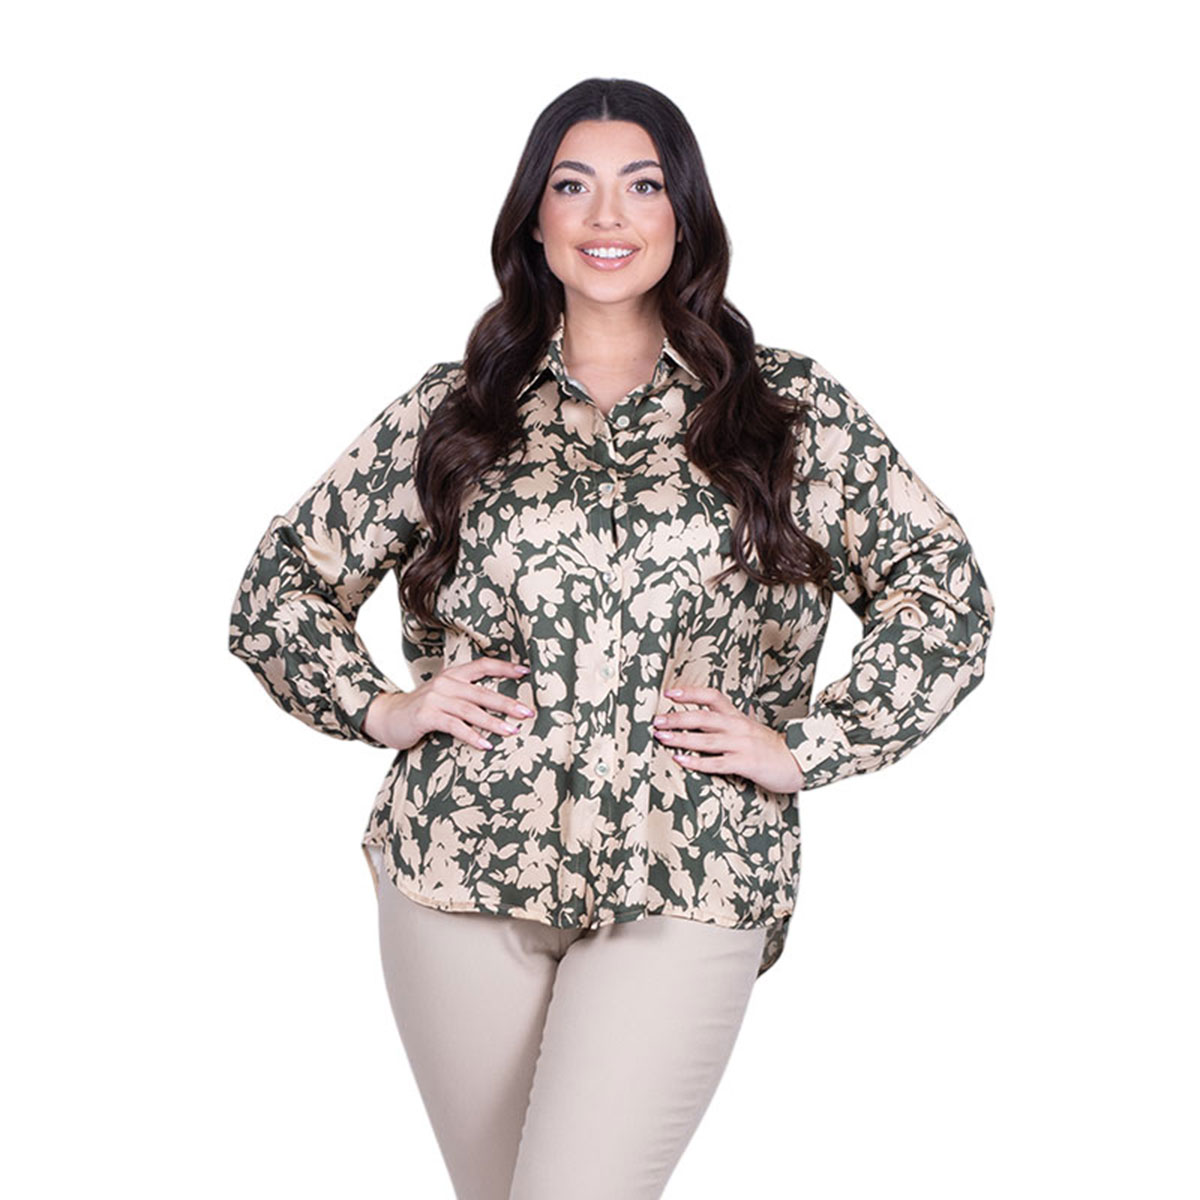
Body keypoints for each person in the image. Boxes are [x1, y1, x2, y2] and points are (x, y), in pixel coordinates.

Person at [227, 77, 994, 1200]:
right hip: (459, 869)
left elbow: (943, 590)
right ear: (533, 219)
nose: (605, 217)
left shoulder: (784, 411)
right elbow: (280, 586)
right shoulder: (455, 410)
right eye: (571, 186)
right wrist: (384, 707)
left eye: (641, 186)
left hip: (690, 866)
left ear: (684, 212)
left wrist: (808, 746)